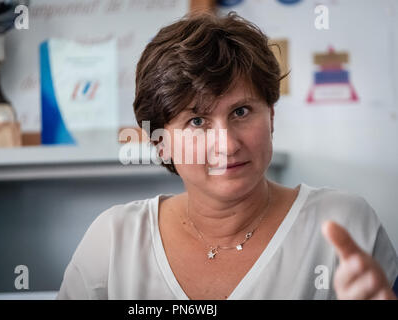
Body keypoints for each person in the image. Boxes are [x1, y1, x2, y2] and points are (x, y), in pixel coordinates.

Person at [57, 12, 397, 300]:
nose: (228, 145)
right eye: (197, 120)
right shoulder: (114, 241)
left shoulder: (344, 224)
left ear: (272, 117)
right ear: (160, 142)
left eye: (241, 112)